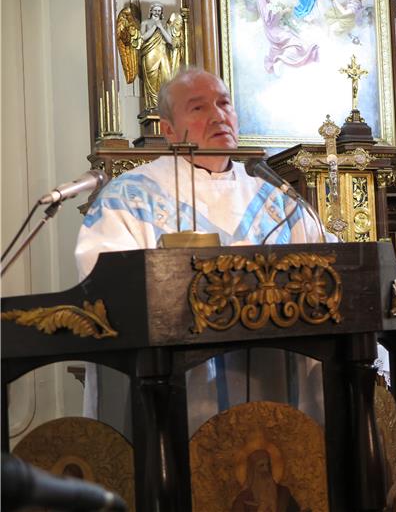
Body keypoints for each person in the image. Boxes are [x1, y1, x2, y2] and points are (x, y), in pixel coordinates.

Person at [75, 67, 329, 434]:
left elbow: (330, 270)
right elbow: (101, 282)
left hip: (275, 396)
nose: (218, 115)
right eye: (198, 107)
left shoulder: (277, 199)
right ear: (168, 130)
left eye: (224, 103)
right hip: (174, 397)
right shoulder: (128, 197)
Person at [139, 3, 181, 110]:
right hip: (150, 53)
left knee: (166, 77)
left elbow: (170, 41)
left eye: (159, 11)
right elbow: (143, 37)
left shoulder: (164, 24)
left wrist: (161, 27)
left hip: (162, 53)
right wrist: (154, 27)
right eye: (155, 10)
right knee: (152, 78)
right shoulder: (145, 23)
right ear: (151, 11)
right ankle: (153, 105)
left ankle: (164, 103)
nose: (157, 12)